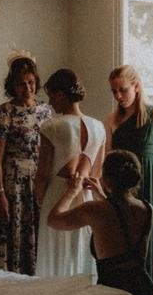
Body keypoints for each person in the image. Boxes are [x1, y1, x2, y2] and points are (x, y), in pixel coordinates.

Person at [47, 149, 153, 295]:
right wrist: (102, 195)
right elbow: (119, 216)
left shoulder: (94, 210)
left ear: (107, 179)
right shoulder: (147, 209)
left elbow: (53, 220)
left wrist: (72, 190)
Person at [104, 65, 153, 295]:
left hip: (150, 186)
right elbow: (108, 158)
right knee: (125, 247)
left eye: (122, 90)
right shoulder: (112, 120)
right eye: (114, 91)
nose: (118, 96)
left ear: (136, 86)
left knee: (151, 244)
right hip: (122, 190)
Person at [34, 68, 106, 278]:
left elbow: (43, 173)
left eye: (51, 96)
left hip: (57, 196)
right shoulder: (99, 127)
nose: (50, 103)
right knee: (80, 251)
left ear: (61, 94)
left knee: (55, 253)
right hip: (86, 195)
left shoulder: (51, 126)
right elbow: (96, 173)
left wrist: (39, 199)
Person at [0, 52, 53, 274]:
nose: (27, 88)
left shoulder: (46, 111)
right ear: (13, 85)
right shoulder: (4, 112)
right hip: (13, 183)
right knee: (11, 233)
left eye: (31, 82)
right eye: (21, 84)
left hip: (40, 179)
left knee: (37, 232)